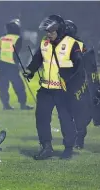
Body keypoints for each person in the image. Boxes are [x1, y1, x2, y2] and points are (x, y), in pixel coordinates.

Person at [24, 15, 83, 160]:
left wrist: (70, 82)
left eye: (51, 31)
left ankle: (68, 148)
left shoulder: (71, 44)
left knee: (66, 119)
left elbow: (79, 67)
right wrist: (30, 71)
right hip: (46, 89)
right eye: (47, 31)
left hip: (63, 90)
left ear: (60, 30)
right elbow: (37, 59)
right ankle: (46, 147)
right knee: (42, 118)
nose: (48, 34)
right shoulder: (44, 43)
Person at [0, 19, 33, 110]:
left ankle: (5, 105)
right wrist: (18, 63)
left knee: (3, 86)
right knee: (19, 86)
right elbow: (16, 52)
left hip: (2, 65)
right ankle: (23, 104)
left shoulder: (1, 38)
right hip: (12, 65)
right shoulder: (18, 38)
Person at [65, 19, 92, 149]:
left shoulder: (80, 44)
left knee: (81, 113)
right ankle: (73, 137)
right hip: (63, 82)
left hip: (78, 82)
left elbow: (87, 62)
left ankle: (79, 137)